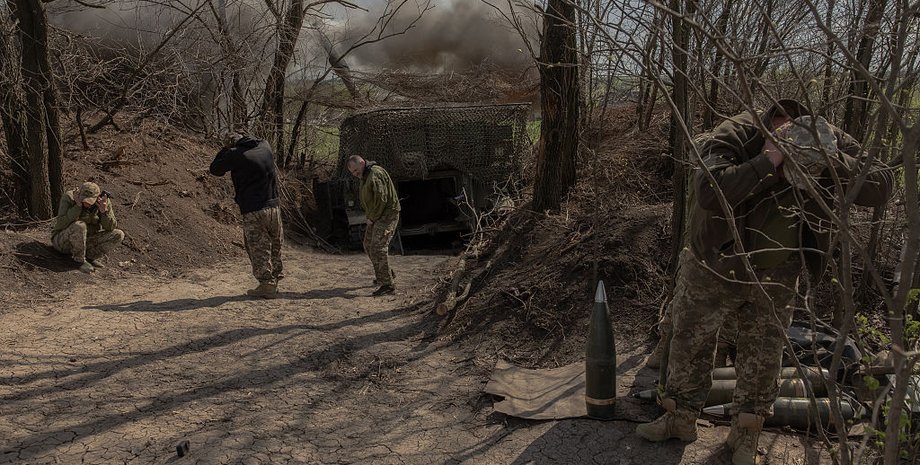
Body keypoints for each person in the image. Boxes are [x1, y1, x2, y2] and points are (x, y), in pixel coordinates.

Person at [635, 99, 894, 465]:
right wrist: (769, 162)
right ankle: (679, 419)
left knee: (763, 355)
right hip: (716, 262)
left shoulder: (825, 138)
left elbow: (882, 184)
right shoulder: (737, 132)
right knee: (691, 341)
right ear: (774, 130)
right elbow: (710, 190)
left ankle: (744, 435)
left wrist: (828, 159)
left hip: (775, 273)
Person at [210, 132, 283, 298]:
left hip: (253, 209)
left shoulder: (235, 155)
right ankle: (275, 279)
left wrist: (225, 150)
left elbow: (215, 169)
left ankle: (266, 284)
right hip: (274, 206)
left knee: (258, 247)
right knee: (275, 244)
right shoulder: (265, 145)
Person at [346, 155, 401, 296]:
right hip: (377, 216)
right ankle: (386, 273)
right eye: (352, 172)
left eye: (356, 170)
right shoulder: (365, 175)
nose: (355, 174)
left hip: (386, 215)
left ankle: (388, 285)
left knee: (378, 247)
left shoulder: (375, 174)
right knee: (368, 244)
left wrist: (372, 217)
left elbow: (381, 199)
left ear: (362, 163)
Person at [51, 182, 125, 273]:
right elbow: (61, 223)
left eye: (90, 201)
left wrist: (104, 212)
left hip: (86, 241)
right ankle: (78, 261)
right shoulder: (69, 197)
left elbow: (110, 228)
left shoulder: (103, 201)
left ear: (97, 198)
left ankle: (89, 257)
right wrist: (77, 206)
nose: (86, 203)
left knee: (118, 234)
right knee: (80, 225)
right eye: (84, 200)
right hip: (63, 242)